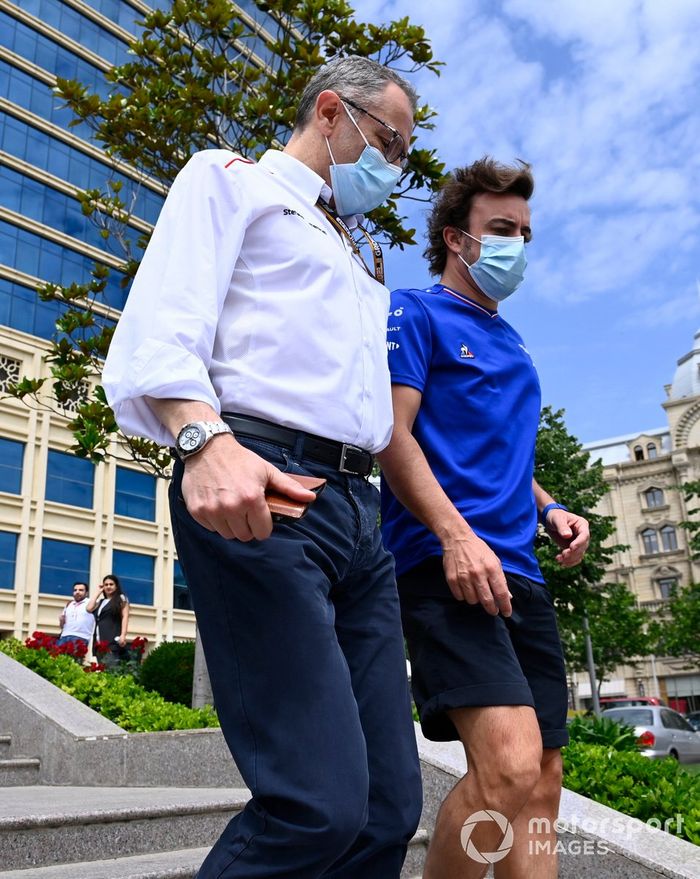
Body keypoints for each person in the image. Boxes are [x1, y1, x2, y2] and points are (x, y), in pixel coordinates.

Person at [102, 56, 422, 879]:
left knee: (388, 806)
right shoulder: (231, 180)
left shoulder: (357, 253)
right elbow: (161, 324)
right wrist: (201, 440)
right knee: (316, 801)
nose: (395, 167)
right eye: (388, 141)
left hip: (359, 510)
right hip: (267, 483)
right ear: (330, 112)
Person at [378, 158, 591, 879]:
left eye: (526, 233)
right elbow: (392, 436)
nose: (517, 247)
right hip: (445, 564)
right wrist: (454, 535)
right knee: (506, 765)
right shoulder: (416, 312)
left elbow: (504, 456)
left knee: (544, 781)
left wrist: (551, 506)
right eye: (501, 229)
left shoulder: (516, 344)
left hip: (521, 573)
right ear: (456, 239)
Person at [87, 574, 129, 667]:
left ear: (116, 586)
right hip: (99, 640)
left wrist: (123, 635)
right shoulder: (101, 602)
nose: (108, 586)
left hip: (112, 639)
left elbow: (125, 617)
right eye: (106, 585)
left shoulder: (121, 598)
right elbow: (89, 608)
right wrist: (98, 592)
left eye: (111, 584)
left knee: (112, 667)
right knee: (102, 668)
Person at [57, 581, 94, 653]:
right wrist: (61, 621)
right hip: (64, 636)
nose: (77, 592)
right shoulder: (69, 604)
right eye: (75, 590)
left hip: (81, 637)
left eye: (81, 590)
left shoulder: (90, 603)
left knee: (74, 662)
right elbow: (62, 626)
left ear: (86, 593)